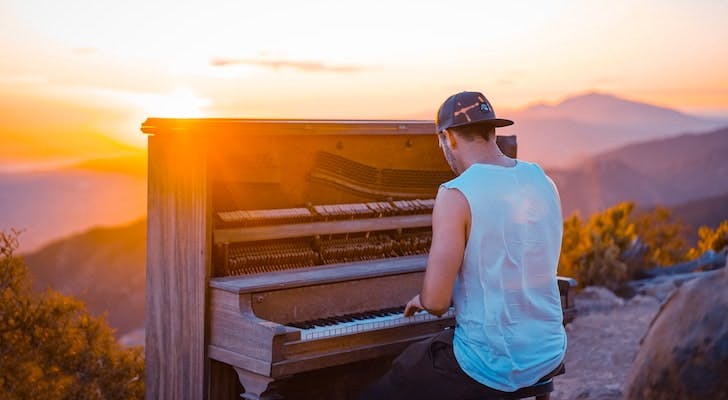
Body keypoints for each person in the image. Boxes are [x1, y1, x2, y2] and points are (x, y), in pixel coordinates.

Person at [360, 91, 567, 399]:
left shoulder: (456, 194)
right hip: (548, 348)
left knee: (387, 384)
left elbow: (437, 302)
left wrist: (426, 295)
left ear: (448, 138)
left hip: (492, 365)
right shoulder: (542, 180)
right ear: (492, 131)